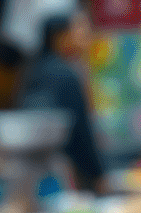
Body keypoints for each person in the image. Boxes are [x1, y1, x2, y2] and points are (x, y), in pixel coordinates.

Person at [16, 12, 106, 192]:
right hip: (64, 173)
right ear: (60, 37)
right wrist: (98, 175)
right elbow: (80, 132)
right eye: (80, 29)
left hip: (30, 172)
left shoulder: (35, 69)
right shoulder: (64, 75)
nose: (87, 35)